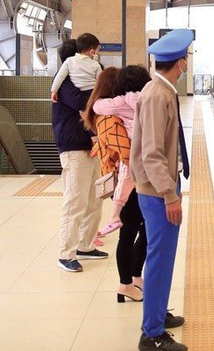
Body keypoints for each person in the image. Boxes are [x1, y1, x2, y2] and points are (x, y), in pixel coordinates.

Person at [131, 29, 192, 351]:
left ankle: (157, 313)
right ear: (181, 63)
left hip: (161, 185)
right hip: (157, 191)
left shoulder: (160, 91)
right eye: (187, 59)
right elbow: (151, 153)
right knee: (159, 257)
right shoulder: (157, 95)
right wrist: (170, 194)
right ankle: (151, 334)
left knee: (164, 256)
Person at [53, 37, 108, 273]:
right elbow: (84, 101)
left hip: (93, 145)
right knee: (75, 200)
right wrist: (101, 94)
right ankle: (66, 253)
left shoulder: (84, 79)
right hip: (74, 146)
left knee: (95, 199)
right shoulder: (65, 83)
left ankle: (85, 245)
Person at [92, 66, 148, 238]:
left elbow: (97, 107)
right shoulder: (147, 99)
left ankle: (114, 215)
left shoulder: (119, 103)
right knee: (134, 229)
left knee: (129, 231)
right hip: (144, 152)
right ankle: (115, 216)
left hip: (129, 160)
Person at [51, 33, 102, 103]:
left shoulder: (69, 61)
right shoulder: (95, 64)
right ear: (92, 52)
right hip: (91, 92)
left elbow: (59, 77)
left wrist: (54, 91)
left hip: (76, 89)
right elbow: (100, 81)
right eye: (96, 52)